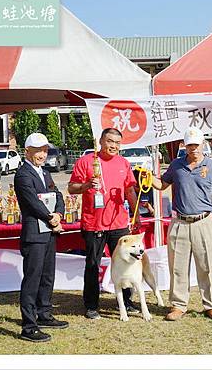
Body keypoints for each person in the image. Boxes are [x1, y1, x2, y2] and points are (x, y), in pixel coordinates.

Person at [145, 126, 212, 321]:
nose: (193, 149)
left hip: (204, 221)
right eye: (190, 145)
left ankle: (211, 305)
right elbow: (162, 185)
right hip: (179, 222)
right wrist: (148, 178)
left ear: (203, 144)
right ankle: (178, 305)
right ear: (184, 145)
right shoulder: (176, 165)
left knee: (208, 265)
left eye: (196, 145)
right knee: (178, 266)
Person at [68, 128, 141, 320]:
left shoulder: (124, 163)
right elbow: (71, 188)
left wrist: (136, 214)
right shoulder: (86, 161)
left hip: (119, 223)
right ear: (101, 141)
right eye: (110, 141)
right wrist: (85, 186)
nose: (113, 146)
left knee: (126, 262)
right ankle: (91, 305)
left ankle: (126, 301)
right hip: (94, 223)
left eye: (117, 143)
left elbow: (130, 190)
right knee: (93, 264)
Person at [14, 133, 68, 342]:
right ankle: (29, 326)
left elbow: (58, 196)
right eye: (38, 150)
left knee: (47, 276)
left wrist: (59, 214)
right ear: (27, 151)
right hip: (35, 234)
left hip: (48, 232)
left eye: (45, 150)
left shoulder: (45, 173)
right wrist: (50, 217)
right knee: (32, 279)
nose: (42, 154)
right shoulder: (23, 174)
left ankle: (44, 313)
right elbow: (31, 202)